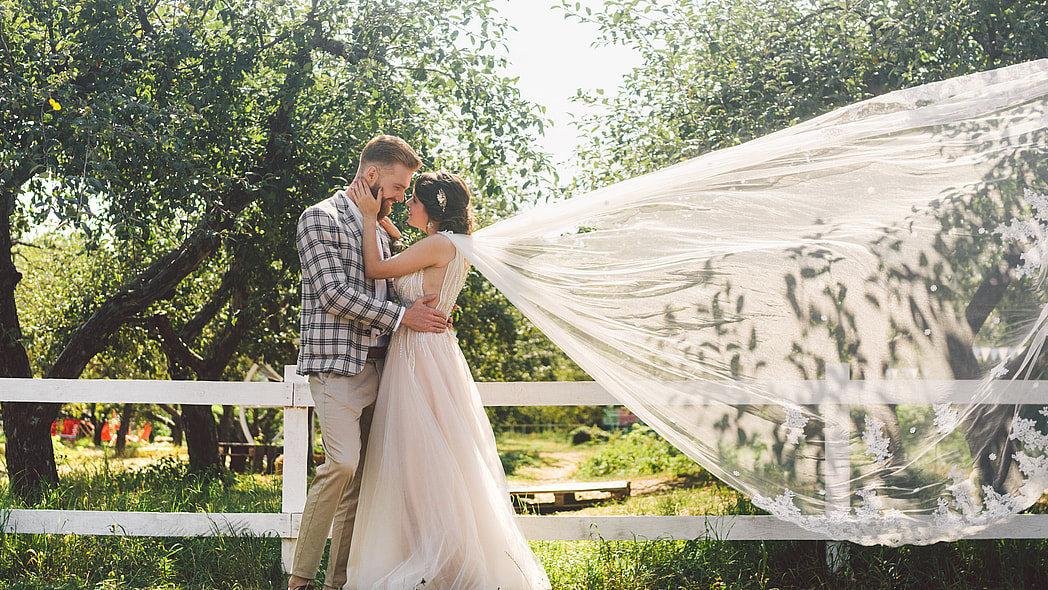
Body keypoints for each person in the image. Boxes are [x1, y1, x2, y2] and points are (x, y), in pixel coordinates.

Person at [343, 171, 551, 589]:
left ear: (433, 207)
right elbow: (417, 269)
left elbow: (375, 267)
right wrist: (393, 232)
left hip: (418, 354)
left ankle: (436, 560)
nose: (407, 205)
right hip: (435, 350)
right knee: (439, 454)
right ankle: (442, 554)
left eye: (414, 200)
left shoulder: (437, 244)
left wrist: (368, 218)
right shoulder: (455, 244)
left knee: (419, 457)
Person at [289, 135, 449, 590]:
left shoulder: (374, 224)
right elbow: (334, 294)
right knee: (341, 465)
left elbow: (392, 278)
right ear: (372, 176)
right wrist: (406, 316)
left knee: (361, 482)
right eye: (399, 186)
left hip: (386, 367)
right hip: (339, 365)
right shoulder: (318, 218)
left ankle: (336, 584)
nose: (403, 196)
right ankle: (300, 580)